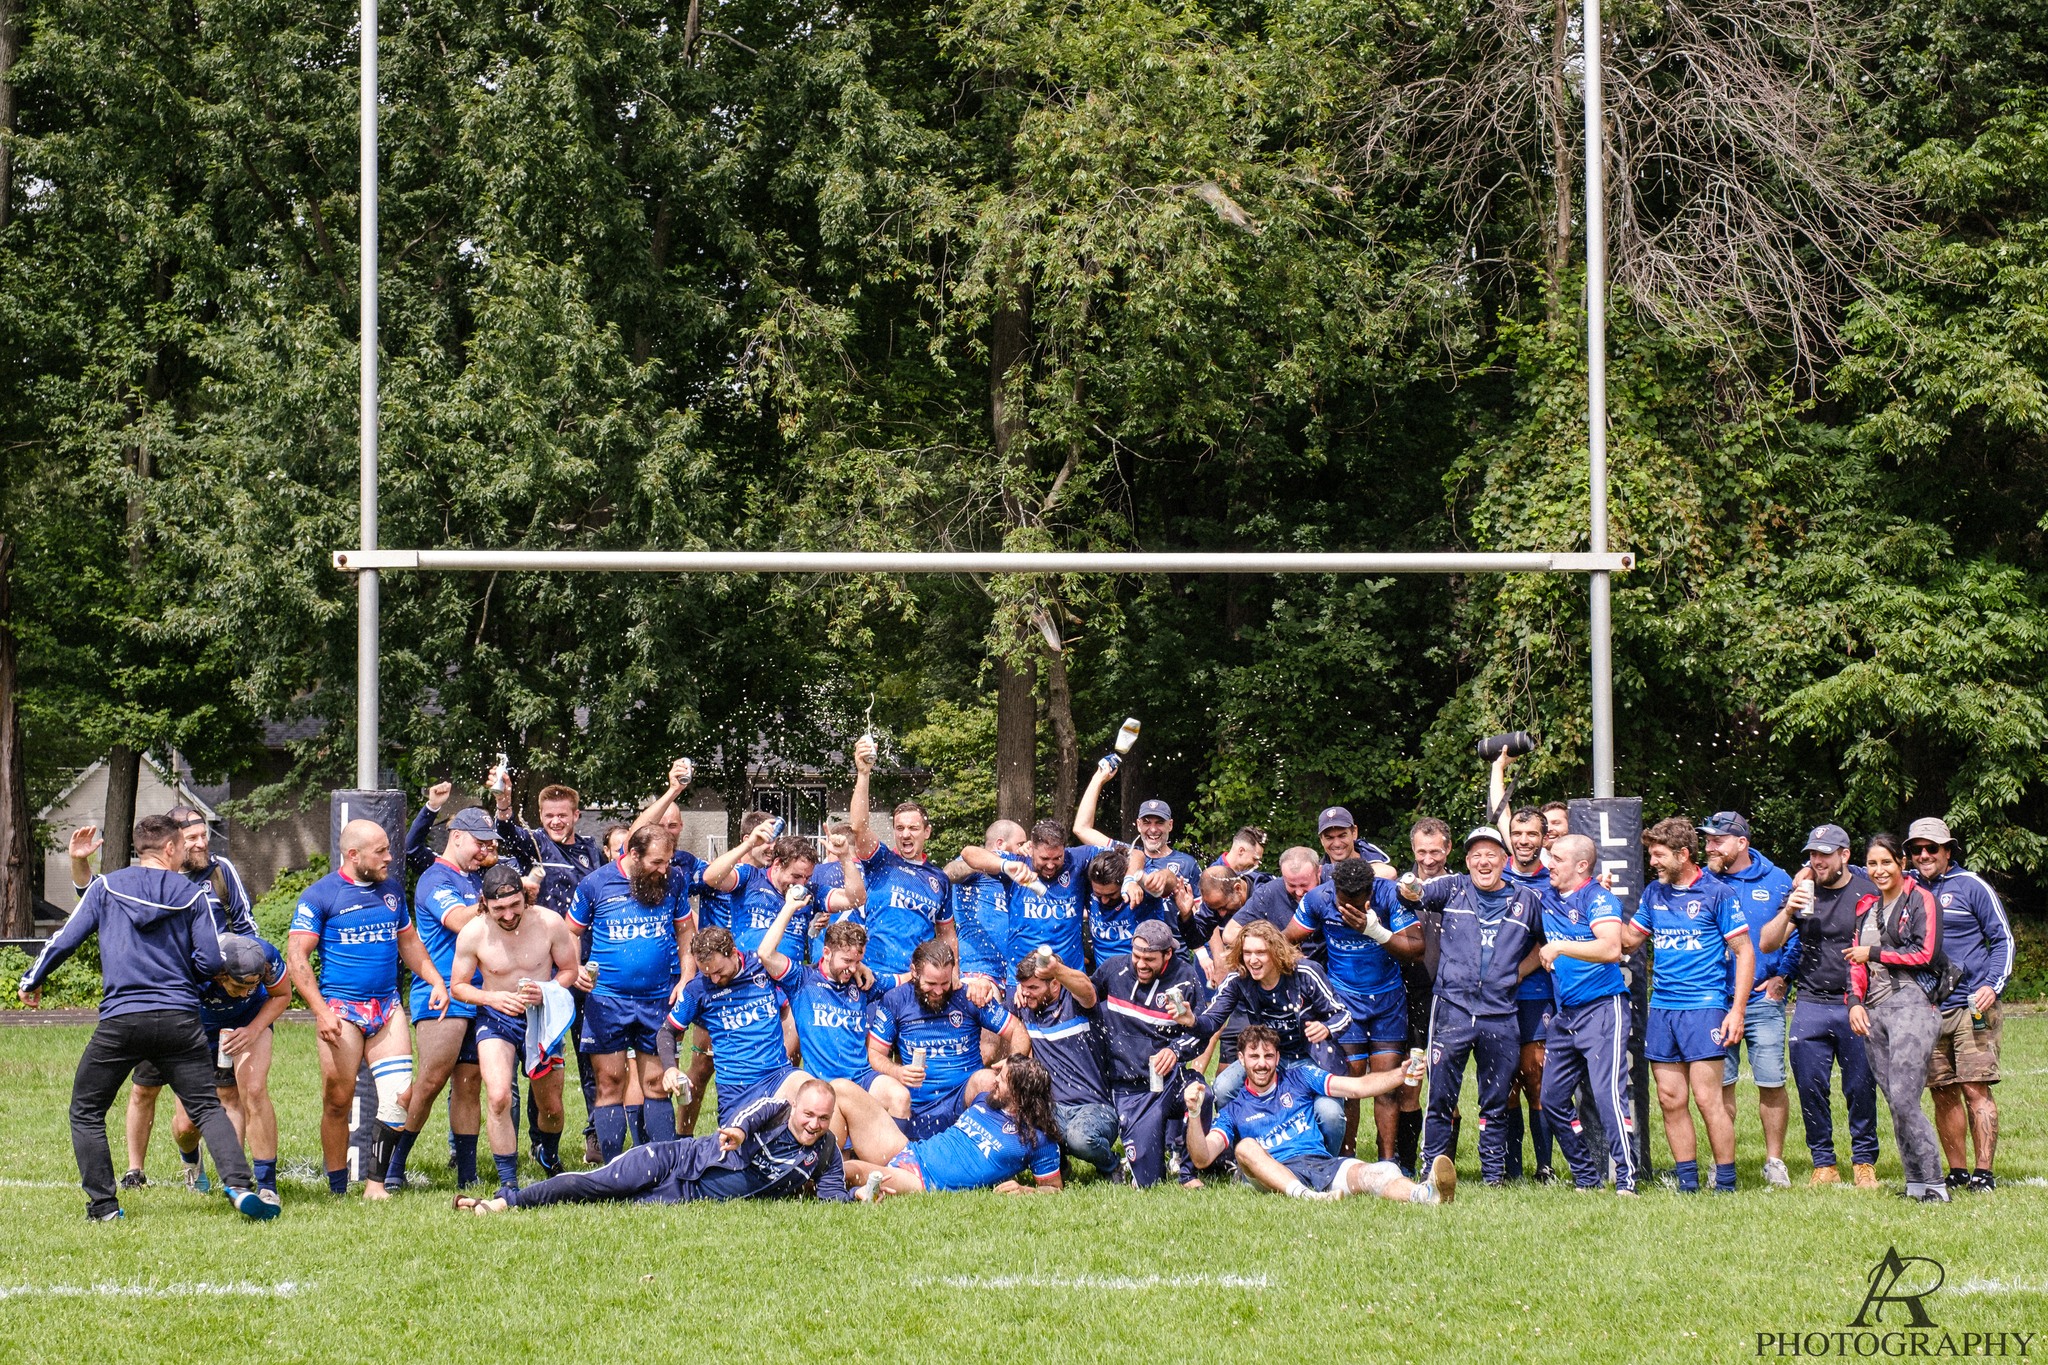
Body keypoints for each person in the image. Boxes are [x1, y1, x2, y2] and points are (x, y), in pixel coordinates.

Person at [17, 813, 276, 1221]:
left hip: (122, 1019)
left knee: (86, 1110)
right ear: (170, 848)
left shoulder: (106, 887)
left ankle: (104, 1208)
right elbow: (210, 961)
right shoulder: (191, 895)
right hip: (179, 1019)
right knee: (208, 1107)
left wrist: (31, 979)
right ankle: (241, 1188)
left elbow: (65, 939)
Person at [287, 818, 451, 1198]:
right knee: (338, 1100)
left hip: (387, 1006)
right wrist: (321, 1011)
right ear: (353, 854)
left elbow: (408, 943)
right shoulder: (320, 896)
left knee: (399, 1096)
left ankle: (375, 1184)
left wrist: (436, 979)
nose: (390, 858)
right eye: (381, 851)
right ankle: (338, 1186)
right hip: (341, 1010)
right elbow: (297, 957)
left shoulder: (392, 891)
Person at [115, 807, 260, 1187]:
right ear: (172, 843)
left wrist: (241, 969)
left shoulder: (220, 871)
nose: (201, 843)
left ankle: (234, 1177)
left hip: (219, 1004)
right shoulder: (149, 879)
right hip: (166, 1000)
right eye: (192, 837)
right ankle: (135, 1170)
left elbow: (246, 928)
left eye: (203, 835)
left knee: (224, 1093)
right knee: (146, 1087)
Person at [1397, 826, 1545, 1186]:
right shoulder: (1452, 888)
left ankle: (1492, 1177)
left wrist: (1515, 974)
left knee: (1495, 1100)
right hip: (1452, 1009)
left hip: (1500, 1013)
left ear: (1503, 860)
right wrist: (1408, 886)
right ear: (1465, 861)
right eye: (1476, 855)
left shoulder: (1527, 900)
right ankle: (1432, 1173)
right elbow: (1415, 894)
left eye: (1491, 854)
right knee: (1440, 1097)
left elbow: (1544, 946)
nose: (1484, 861)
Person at [455, 1079, 850, 1211]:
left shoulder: (827, 1151)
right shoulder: (778, 1110)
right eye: (808, 1114)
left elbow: (833, 1198)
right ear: (797, 1105)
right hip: (675, 1161)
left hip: (683, 1195)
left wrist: (859, 1199)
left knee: (607, 1205)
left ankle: (512, 1198)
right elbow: (750, 1118)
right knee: (601, 1185)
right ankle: (507, 1201)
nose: (813, 1125)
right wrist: (739, 1134)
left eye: (823, 1118)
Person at [1181, 1026, 1454, 1205]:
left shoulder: (1300, 1076)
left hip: (1318, 1163)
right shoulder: (1234, 1109)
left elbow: (1356, 1087)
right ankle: (1307, 1197)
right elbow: (1203, 1157)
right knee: (1246, 1147)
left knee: (1374, 1172)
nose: (1261, 1064)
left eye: (1268, 1056)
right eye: (1254, 1056)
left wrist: (1399, 1075)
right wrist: (1194, 1113)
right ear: (1241, 1059)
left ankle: (1425, 1194)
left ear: (1278, 1057)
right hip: (1273, 1173)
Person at [1624, 818, 1753, 1194]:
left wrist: (1737, 1010)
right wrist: (1599, 905)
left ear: (1683, 854)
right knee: (1670, 1098)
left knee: (1707, 1098)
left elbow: (1744, 953)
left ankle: (1725, 1184)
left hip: (1705, 1007)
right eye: (1651, 855)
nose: (1654, 862)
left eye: (1660, 855)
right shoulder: (1653, 893)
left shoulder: (1718, 894)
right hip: (1663, 1008)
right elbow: (1629, 942)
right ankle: (1687, 1185)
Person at [1755, 824, 1881, 1188]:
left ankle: (1864, 1161)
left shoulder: (1866, 888)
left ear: (1845, 855)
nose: (1817, 860)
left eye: (1825, 853)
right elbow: (1766, 943)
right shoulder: (1803, 892)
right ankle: (1823, 1162)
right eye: (1812, 854)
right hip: (1810, 1002)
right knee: (1810, 1086)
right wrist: (1788, 911)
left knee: (1860, 1086)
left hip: (1855, 1003)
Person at [448, 862, 583, 1196]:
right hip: (497, 1020)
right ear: (485, 905)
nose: (508, 915)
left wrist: (548, 988)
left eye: (514, 906)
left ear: (526, 898)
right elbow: (458, 987)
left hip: (542, 1018)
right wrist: (492, 998)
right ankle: (508, 1181)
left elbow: (569, 970)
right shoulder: (474, 933)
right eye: (499, 909)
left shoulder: (550, 923)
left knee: (550, 1105)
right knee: (497, 1097)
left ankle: (547, 1154)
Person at [384, 804, 497, 1193]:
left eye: (489, 844)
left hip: (480, 991)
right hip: (443, 993)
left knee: (469, 1082)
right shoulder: (436, 878)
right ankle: (393, 1164)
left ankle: (467, 1173)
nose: (485, 850)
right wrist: (500, 898)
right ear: (456, 837)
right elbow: (457, 921)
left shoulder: (474, 879)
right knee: (431, 1080)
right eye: (479, 843)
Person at [567, 824, 697, 1160]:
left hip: (657, 998)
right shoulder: (595, 884)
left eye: (667, 861)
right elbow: (569, 933)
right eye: (656, 862)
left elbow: (686, 932)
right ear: (633, 854)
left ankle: (665, 1167)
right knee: (609, 1082)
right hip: (606, 999)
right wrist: (574, 968)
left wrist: (686, 979)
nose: (663, 869)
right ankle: (613, 1168)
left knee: (657, 1083)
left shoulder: (674, 881)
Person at [1903, 816, 2014, 1193]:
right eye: (1916, 849)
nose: (1923, 855)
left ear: (1948, 850)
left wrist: (1992, 987)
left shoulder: (1971, 886)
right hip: (1929, 1008)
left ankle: (1984, 1173)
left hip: (1972, 1005)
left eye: (1931, 848)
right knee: (1942, 1090)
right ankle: (1958, 1170)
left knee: (1974, 1089)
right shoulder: (1906, 890)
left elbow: (2002, 941)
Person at [1176, 920, 1351, 1155]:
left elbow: (1343, 1014)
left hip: (1309, 1059)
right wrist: (1192, 1021)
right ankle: (1241, 1157)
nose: (1253, 960)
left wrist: (1327, 1028)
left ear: (1276, 952)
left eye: (1260, 952)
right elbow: (1212, 1020)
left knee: (1330, 1113)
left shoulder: (1305, 973)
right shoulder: (1239, 979)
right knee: (1224, 1087)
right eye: (1247, 952)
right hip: (1265, 1058)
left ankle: (1325, 1160)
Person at [1287, 856, 1420, 1160]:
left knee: (1386, 1088)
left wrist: (1375, 930)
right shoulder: (1319, 899)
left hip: (1388, 1000)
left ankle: (1388, 1161)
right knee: (1351, 1086)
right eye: (1341, 901)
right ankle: (1348, 1160)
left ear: (1369, 895)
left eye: (1354, 904)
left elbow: (1417, 949)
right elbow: (1285, 940)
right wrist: (1305, 975)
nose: (1346, 909)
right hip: (1344, 1001)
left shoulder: (1388, 895)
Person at [1534, 833, 1638, 1195]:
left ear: (1581, 865)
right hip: (1566, 1014)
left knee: (1608, 1094)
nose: (1550, 863)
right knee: (1553, 1100)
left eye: (1558, 858)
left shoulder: (1599, 897)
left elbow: (1611, 948)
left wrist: (1561, 945)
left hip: (1603, 1008)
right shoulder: (1546, 895)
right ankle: (1586, 1176)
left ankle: (1627, 1178)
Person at [1848, 834, 1949, 1203]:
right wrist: (1854, 1004)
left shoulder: (1921, 898)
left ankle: (1935, 1183)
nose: (1879, 870)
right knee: (1894, 1100)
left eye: (1886, 862)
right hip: (1873, 1011)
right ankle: (1915, 1184)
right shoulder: (1866, 909)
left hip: (1913, 1006)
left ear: (1901, 863)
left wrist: (1873, 951)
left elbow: (1926, 952)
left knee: (1906, 1099)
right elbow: (1855, 964)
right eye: (1872, 864)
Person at [1700, 810, 1797, 1190]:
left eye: (1717, 840)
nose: (1709, 846)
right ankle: (1720, 1163)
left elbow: (1798, 931)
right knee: (1717, 1085)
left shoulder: (1777, 880)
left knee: (1771, 1081)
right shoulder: (1699, 880)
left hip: (1761, 1000)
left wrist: (1783, 975)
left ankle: (1775, 1162)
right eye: (1706, 839)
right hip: (1712, 1000)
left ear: (1742, 843)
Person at [661, 899, 819, 1128]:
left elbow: (811, 974)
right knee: (737, 1157)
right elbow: (666, 1032)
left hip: (778, 1076)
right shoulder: (698, 989)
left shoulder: (761, 966)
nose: (714, 979)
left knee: (813, 1095)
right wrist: (670, 1067)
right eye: (707, 974)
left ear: (734, 953)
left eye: (718, 971)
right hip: (735, 1090)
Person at [172, 934, 293, 1197]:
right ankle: (191, 1161)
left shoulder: (267, 957)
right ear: (221, 976)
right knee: (186, 1126)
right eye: (239, 988)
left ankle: (261, 1186)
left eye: (252, 987)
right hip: (195, 1027)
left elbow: (282, 995)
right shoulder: (196, 966)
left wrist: (253, 1030)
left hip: (248, 1022)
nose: (245, 993)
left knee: (254, 1091)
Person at [1093, 919, 1211, 1187]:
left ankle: (1188, 1171)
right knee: (1149, 1183)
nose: (1141, 964)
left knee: (1203, 1095)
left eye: (1150, 959)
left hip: (1169, 1080)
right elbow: (1083, 1001)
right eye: (1137, 956)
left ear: (1168, 954)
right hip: (1128, 1088)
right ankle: (1149, 1156)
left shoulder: (1185, 978)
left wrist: (1176, 1050)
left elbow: (1201, 1033)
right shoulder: (1113, 970)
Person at [868, 938, 1027, 1138]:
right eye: (931, 983)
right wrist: (897, 1072)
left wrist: (1013, 1064)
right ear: (914, 972)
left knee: (988, 1079)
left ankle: (1002, 1149)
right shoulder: (896, 1000)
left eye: (945, 983)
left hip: (963, 1099)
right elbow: (874, 1052)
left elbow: (1017, 1030)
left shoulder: (970, 997)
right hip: (915, 1104)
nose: (938, 991)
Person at [841, 1055, 1064, 1197]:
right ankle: (815, 1164)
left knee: (851, 1171)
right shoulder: (986, 1101)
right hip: (909, 1151)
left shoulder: (1038, 1139)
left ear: (1020, 1094)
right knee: (842, 1089)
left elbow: (1055, 1190)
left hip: (923, 1181)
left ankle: (814, 1181)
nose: (995, 1080)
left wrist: (1024, 1191)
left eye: (1003, 1079)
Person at [774, 917, 910, 1123]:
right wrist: (791, 907)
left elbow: (903, 979)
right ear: (826, 953)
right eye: (847, 961)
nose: (853, 969)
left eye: (858, 961)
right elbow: (766, 954)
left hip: (861, 1078)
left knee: (899, 1097)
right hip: (824, 1083)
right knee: (841, 1150)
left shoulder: (863, 982)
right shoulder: (802, 980)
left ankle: (898, 1155)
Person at [1011, 947, 1120, 1176]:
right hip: (1053, 1109)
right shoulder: (1026, 1005)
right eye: (1023, 987)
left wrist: (1057, 969)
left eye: (1033, 987)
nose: (1027, 993)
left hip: (1095, 1109)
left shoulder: (1076, 1004)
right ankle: (1058, 1166)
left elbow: (1088, 990)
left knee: (1079, 1139)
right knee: (1014, 1124)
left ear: (1054, 984)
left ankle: (1112, 1165)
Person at [852, 759, 958, 979]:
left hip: (918, 980)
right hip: (875, 973)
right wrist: (863, 773)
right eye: (899, 828)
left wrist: (953, 975)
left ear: (927, 832)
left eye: (913, 828)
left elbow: (947, 934)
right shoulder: (881, 860)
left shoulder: (939, 879)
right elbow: (859, 827)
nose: (905, 834)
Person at [700, 829, 864, 968]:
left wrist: (845, 858)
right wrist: (748, 845)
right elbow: (710, 877)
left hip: (788, 983)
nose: (801, 884)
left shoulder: (810, 893)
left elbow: (855, 899)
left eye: (807, 877)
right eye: (796, 876)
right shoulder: (750, 878)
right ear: (777, 864)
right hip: (749, 983)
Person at [1500, 806, 1556, 1183]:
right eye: (1518, 834)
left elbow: (1547, 942)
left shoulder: (1554, 881)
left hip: (1536, 993)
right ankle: (1511, 1168)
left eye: (1532, 835)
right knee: (1504, 1082)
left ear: (1543, 837)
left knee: (1535, 1077)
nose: (1524, 841)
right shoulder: (1490, 874)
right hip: (1494, 999)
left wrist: (1513, 974)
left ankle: (1544, 1167)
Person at [960, 818, 1092, 970]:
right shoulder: (1017, 861)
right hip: (1021, 978)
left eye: (1057, 858)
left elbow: (1120, 851)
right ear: (1032, 848)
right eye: (1044, 858)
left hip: (1069, 975)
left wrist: (1127, 880)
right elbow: (968, 853)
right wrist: (1005, 866)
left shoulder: (1078, 859)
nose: (1050, 865)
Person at [495, 780, 606, 914]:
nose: (555, 822)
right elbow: (507, 831)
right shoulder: (535, 842)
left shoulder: (591, 850)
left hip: (584, 932)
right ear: (541, 815)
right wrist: (503, 803)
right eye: (549, 816)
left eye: (562, 815)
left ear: (575, 815)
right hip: (544, 931)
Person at [945, 819, 1025, 987]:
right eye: (1020, 844)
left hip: (1012, 973)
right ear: (1000, 844)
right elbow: (949, 873)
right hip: (977, 970)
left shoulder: (1018, 875)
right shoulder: (977, 866)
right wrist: (986, 864)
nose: (1022, 849)